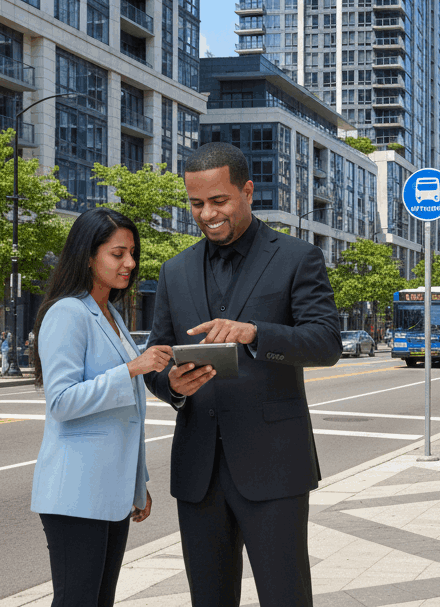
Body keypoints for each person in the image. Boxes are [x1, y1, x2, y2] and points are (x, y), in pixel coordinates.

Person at [144, 142, 342, 607]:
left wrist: (256, 333)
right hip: (198, 472)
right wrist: (169, 385)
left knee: (285, 597)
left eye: (219, 201)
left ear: (248, 191)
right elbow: (157, 357)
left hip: (274, 466)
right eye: (196, 203)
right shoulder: (175, 270)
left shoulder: (297, 257)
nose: (207, 214)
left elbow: (327, 343)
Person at [30, 207, 173, 607]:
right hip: (74, 494)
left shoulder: (110, 313)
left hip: (109, 493)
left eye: (132, 253)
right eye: (118, 253)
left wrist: (137, 484)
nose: (130, 263)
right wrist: (131, 368)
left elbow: (128, 419)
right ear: (88, 255)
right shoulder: (67, 312)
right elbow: (60, 402)